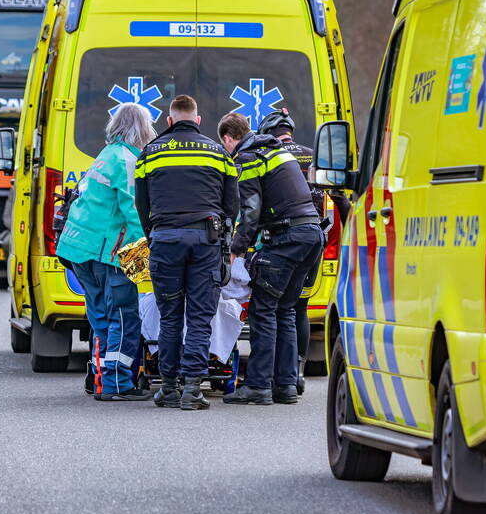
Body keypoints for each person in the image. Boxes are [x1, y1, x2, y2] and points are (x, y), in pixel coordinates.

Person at [134, 95, 239, 410]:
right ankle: (192, 389)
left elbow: (142, 204)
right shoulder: (218, 152)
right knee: (199, 317)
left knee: (169, 317)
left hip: (165, 239)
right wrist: (225, 237)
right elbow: (231, 203)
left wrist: (154, 236)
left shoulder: (149, 154)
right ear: (197, 119)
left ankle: (168, 387)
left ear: (169, 121)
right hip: (205, 241)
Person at [217, 111, 324, 405]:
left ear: (228, 139)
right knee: (285, 310)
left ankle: (258, 386)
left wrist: (236, 249)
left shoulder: (247, 157)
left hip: (287, 237)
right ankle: (286, 385)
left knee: (263, 310)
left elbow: (250, 210)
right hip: (311, 235)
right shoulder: (274, 150)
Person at [56, 102, 155, 401]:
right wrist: (145, 255)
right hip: (108, 252)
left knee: (100, 316)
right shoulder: (127, 160)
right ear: (142, 129)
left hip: (79, 248)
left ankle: (101, 380)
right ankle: (117, 384)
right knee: (124, 317)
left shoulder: (105, 155)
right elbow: (133, 212)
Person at [258, 108, 350, 396]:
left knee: (275, 307)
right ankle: (296, 372)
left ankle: (275, 372)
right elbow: (336, 198)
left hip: (282, 240)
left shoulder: (270, 156)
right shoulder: (314, 156)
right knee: (299, 306)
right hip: (315, 240)